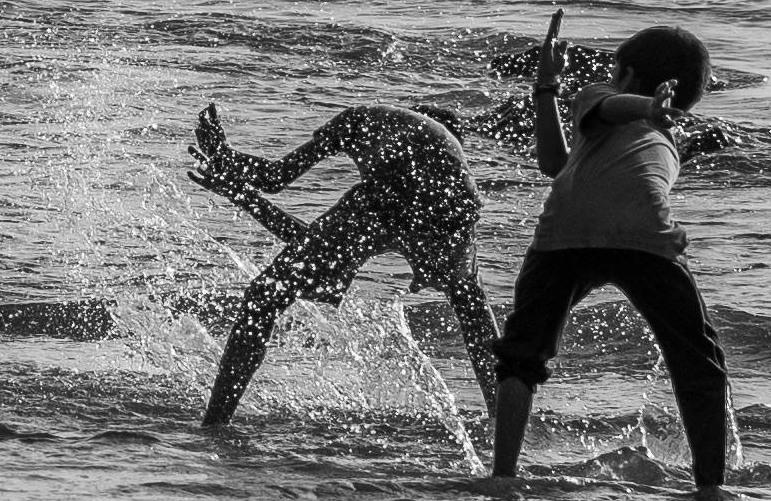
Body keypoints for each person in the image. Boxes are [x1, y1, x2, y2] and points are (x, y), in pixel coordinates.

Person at [187, 87, 536, 425]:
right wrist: (237, 184)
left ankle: (215, 423)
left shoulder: (362, 124)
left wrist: (226, 160)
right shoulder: (439, 164)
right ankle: (505, 425)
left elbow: (277, 183)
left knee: (264, 296)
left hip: (421, 197)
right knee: (473, 314)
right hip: (457, 206)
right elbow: (316, 247)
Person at [488, 11, 733, 493]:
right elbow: (562, 156)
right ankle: (711, 488)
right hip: (643, 238)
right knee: (698, 365)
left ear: (621, 73)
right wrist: (639, 106)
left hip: (565, 236)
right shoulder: (635, 118)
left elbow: (570, 149)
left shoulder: (601, 99)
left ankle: (502, 476)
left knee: (521, 354)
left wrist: (558, 90)